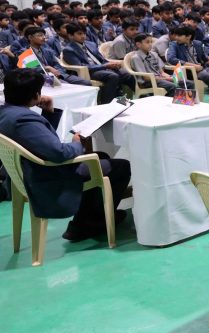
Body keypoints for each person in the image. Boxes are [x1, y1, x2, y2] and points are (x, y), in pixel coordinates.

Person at [0, 69, 132, 241]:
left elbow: (38, 141)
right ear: (35, 94)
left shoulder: (8, 113)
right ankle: (90, 224)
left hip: (29, 170)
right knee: (120, 166)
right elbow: (59, 153)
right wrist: (77, 142)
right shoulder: (23, 119)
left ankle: (86, 219)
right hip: (49, 174)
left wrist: (48, 112)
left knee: (100, 156)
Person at [62, 23, 136, 104]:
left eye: (84, 33)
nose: (83, 36)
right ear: (70, 36)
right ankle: (106, 103)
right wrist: (105, 66)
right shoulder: (69, 50)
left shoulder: (90, 44)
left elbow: (102, 59)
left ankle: (136, 98)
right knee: (112, 76)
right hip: (89, 72)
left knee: (126, 74)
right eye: (79, 34)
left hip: (103, 68)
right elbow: (81, 66)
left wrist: (112, 64)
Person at [21, 26, 92, 86]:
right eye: (40, 35)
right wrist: (47, 68)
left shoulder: (47, 51)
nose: (43, 37)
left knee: (86, 83)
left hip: (59, 75)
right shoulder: (25, 52)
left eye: (43, 35)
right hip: (42, 78)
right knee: (66, 86)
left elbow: (57, 64)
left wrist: (58, 73)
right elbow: (33, 69)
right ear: (30, 37)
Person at [129, 33, 193, 96]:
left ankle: (187, 103)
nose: (150, 44)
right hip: (149, 82)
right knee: (173, 86)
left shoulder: (154, 54)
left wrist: (170, 77)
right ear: (138, 44)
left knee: (188, 83)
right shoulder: (136, 58)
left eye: (151, 42)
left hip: (160, 78)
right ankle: (168, 104)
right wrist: (165, 79)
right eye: (147, 42)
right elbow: (146, 78)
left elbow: (161, 72)